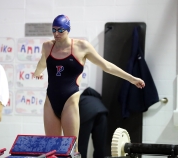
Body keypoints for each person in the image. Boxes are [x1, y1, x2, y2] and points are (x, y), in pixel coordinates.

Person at [33, 14, 145, 153]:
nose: (56, 33)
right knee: (50, 149)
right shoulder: (47, 46)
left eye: (60, 30)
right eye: (54, 30)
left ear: (68, 30)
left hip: (70, 102)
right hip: (50, 101)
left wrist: (131, 79)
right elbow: (42, 63)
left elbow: (106, 66)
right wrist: (37, 73)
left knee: (71, 150)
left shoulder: (81, 47)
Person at [78, 87, 108, 158]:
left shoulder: (81, 98)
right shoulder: (97, 99)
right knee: (100, 145)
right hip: (102, 113)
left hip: (86, 114)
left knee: (82, 145)